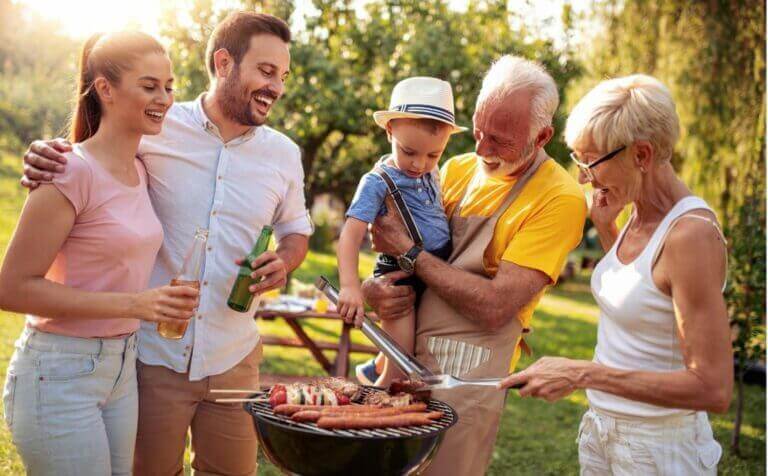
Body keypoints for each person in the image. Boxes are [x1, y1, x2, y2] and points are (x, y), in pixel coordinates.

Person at [19, 12, 312, 476]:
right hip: (152, 356)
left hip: (234, 355)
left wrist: (287, 259)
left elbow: (296, 229)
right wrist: (44, 152)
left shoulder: (283, 154)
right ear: (223, 63)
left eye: (283, 76)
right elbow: (93, 155)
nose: (276, 87)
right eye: (266, 71)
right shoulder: (156, 123)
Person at [362, 55, 588, 476]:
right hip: (404, 359)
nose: (481, 149)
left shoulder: (560, 198)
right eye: (479, 131)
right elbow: (398, 254)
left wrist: (411, 253)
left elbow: (495, 306)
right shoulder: (454, 169)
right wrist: (373, 290)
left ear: (542, 137)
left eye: (499, 140)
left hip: (466, 382)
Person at [498, 74, 732, 475]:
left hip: (658, 450)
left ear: (641, 155)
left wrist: (581, 373)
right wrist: (608, 230)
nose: (584, 178)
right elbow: (647, 301)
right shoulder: (635, 216)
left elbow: (712, 388)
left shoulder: (690, 235)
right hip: (604, 431)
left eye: (590, 162)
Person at [0, 32, 199, 475]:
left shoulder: (143, 170)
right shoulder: (69, 169)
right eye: (149, 86)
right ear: (105, 89)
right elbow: (11, 288)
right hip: (59, 372)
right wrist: (136, 304)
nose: (164, 98)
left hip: (120, 370)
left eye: (169, 86)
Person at [337, 77, 464, 386]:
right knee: (402, 366)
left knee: (414, 347)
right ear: (389, 130)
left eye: (433, 155)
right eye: (409, 152)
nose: (420, 164)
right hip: (400, 276)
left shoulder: (431, 170)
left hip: (433, 273)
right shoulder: (378, 181)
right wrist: (350, 286)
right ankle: (375, 409)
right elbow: (350, 235)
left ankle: (373, 367)